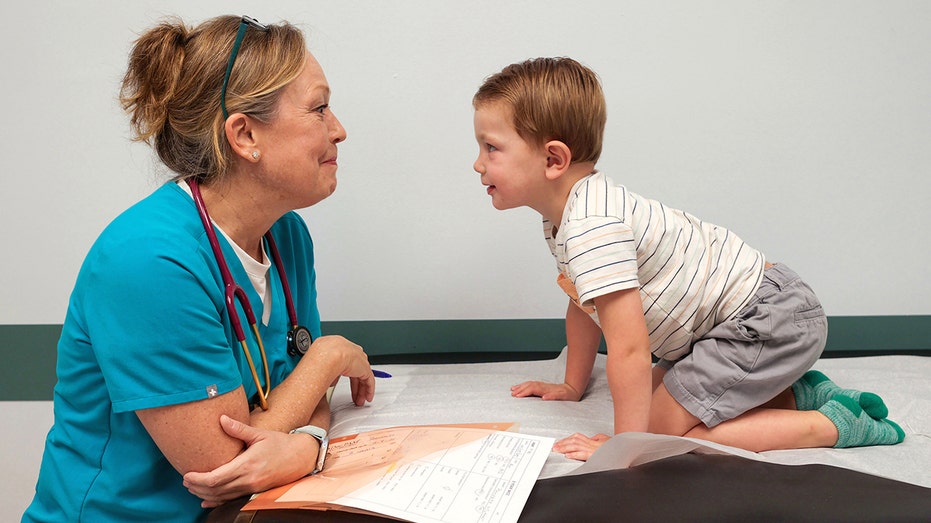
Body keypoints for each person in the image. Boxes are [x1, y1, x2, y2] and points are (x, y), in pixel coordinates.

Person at [23, 14, 376, 522]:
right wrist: (328, 356)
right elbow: (225, 468)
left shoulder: (286, 235)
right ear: (245, 134)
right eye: (319, 109)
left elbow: (302, 399)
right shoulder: (148, 262)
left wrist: (308, 440)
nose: (339, 129)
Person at [471, 57, 905, 462]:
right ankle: (797, 394)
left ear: (553, 159)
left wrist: (626, 447)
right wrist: (572, 384)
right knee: (659, 394)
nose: (478, 164)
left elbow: (630, 350)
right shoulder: (565, 217)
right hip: (739, 324)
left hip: (768, 320)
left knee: (660, 435)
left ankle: (833, 425)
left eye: (490, 148)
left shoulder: (592, 225)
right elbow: (584, 303)